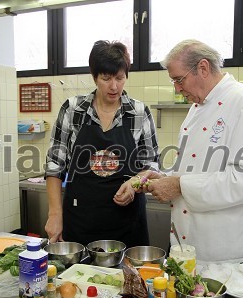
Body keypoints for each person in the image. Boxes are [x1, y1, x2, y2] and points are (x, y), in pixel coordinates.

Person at [145, 39, 243, 264]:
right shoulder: (198, 106)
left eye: (178, 79)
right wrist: (166, 178)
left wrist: (178, 185)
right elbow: (196, 166)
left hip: (228, 251)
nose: (176, 88)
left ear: (203, 68)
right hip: (190, 244)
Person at [44, 40, 159, 248]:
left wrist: (134, 184)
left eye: (119, 78)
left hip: (128, 222)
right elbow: (54, 165)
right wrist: (54, 214)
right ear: (94, 76)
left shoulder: (139, 113)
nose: (114, 86)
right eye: (106, 78)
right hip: (81, 220)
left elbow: (151, 164)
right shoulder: (73, 110)